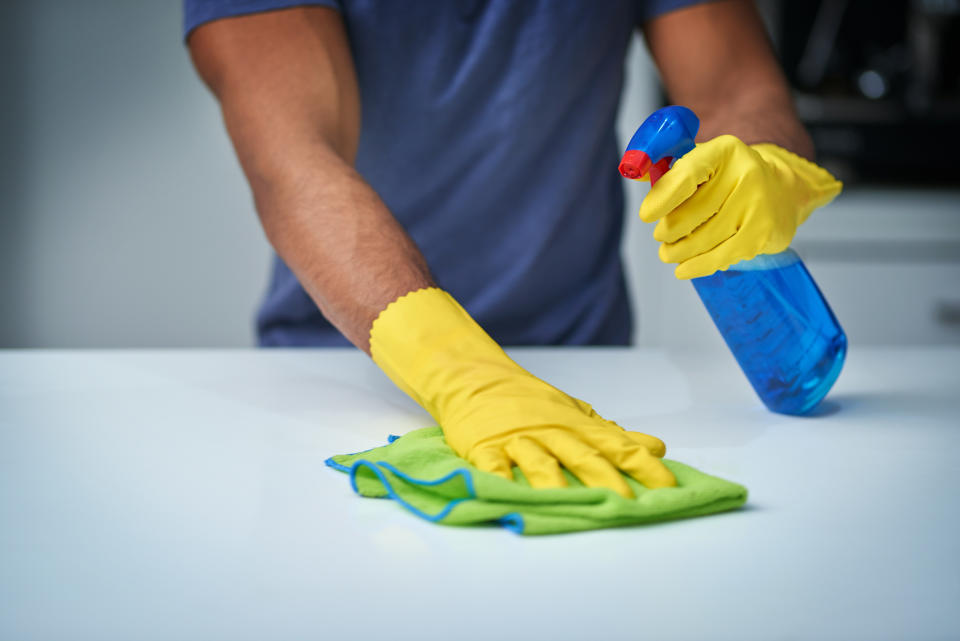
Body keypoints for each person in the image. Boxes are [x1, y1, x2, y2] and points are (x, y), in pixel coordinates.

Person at [184, 0, 841, 497]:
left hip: (592, 376)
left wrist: (762, 163)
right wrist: (461, 370)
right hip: (344, 378)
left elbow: (738, 89)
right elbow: (295, 158)